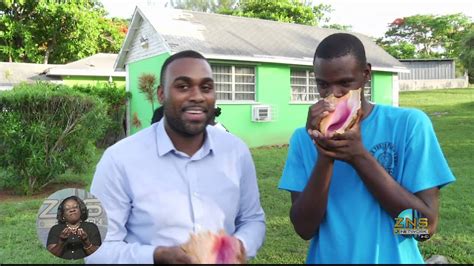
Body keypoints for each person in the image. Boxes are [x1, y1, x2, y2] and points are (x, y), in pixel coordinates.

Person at [278, 33, 455, 264]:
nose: (334, 95)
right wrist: (325, 155)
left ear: (366, 75)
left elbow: (424, 229)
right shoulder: (304, 139)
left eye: (345, 83)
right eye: (323, 84)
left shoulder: (409, 125)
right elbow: (305, 229)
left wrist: (360, 157)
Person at [87, 50, 265, 264]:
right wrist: (155, 256)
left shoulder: (236, 152)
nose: (197, 96)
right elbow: (98, 250)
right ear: (161, 94)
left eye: (206, 87)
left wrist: (240, 245)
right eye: (183, 86)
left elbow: (252, 220)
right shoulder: (119, 160)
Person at [47, 196, 101, 260]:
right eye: (67, 209)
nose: (72, 210)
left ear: (81, 210)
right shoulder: (55, 229)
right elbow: (50, 256)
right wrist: (61, 242)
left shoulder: (91, 227)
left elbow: (98, 255)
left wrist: (86, 242)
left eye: (75, 207)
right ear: (62, 215)